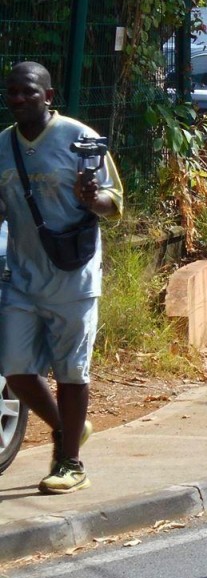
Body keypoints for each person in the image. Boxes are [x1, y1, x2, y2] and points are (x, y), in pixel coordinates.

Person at [0, 61, 123, 494]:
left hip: (73, 276)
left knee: (71, 371)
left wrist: (92, 199)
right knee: (14, 368)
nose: (18, 99)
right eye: (12, 92)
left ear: (48, 96)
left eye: (28, 92)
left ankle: (70, 463)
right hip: (22, 276)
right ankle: (67, 428)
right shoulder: (3, 145)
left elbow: (114, 202)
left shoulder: (79, 137)